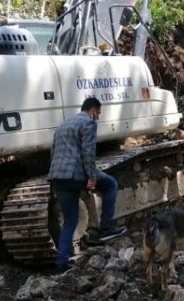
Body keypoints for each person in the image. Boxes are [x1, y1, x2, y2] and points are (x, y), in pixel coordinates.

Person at [48, 97, 127, 273]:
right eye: (97, 114)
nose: (97, 117)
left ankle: (61, 264)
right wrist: (91, 177)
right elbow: (88, 152)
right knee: (110, 184)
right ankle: (106, 227)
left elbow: (53, 153)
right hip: (77, 173)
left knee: (70, 221)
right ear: (93, 111)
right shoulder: (88, 124)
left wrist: (54, 181)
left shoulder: (62, 126)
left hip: (58, 176)